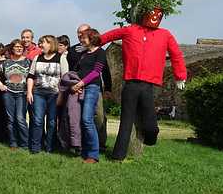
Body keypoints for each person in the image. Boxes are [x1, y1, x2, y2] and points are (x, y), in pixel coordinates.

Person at [101, 23, 187, 161]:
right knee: (126, 122)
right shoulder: (131, 30)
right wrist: (90, 46)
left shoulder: (165, 34)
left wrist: (180, 75)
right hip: (131, 84)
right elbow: (108, 36)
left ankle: (151, 137)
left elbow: (176, 54)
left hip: (148, 85)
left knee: (150, 119)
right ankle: (117, 156)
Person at [68, 28, 106, 164]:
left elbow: (96, 72)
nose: (81, 39)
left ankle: (93, 155)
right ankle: (84, 152)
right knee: (82, 121)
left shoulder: (100, 52)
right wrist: (75, 86)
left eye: (84, 38)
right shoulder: (83, 54)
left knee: (87, 119)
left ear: (92, 38)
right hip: (81, 88)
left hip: (92, 88)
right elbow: (76, 71)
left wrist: (80, 84)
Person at [26, 35, 69, 154]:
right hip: (38, 93)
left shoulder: (61, 58)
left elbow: (65, 79)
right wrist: (29, 92)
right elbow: (30, 76)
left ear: (50, 44)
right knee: (37, 120)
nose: (40, 45)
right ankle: (35, 147)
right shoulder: (37, 58)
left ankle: (49, 147)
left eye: (42, 43)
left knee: (51, 121)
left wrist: (61, 95)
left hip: (54, 94)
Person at [0, 39, 32, 150]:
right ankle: (13, 143)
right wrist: (1, 84)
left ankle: (25, 144)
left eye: (20, 46)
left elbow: (33, 77)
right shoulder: (6, 62)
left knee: (20, 119)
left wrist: (29, 90)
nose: (19, 48)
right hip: (8, 93)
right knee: (11, 119)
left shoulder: (29, 62)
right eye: (16, 46)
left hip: (22, 94)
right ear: (12, 49)